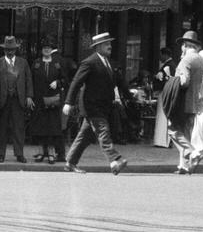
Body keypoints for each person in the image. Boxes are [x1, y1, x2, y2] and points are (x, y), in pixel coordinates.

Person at [62, 31, 129, 174]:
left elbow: (119, 82)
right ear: (97, 47)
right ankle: (115, 160)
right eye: (106, 44)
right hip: (92, 106)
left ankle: (70, 162)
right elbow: (76, 82)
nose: (110, 46)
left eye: (110, 43)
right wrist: (68, 102)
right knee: (103, 132)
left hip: (104, 107)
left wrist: (129, 96)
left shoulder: (109, 63)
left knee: (85, 136)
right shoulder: (89, 62)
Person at [0, 34, 33, 163]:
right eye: (7, 49)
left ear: (16, 50)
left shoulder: (23, 62)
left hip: (18, 99)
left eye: (12, 49)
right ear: (4, 50)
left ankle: (19, 154)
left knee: (18, 128)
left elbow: (28, 80)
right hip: (3, 100)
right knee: (2, 127)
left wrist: (29, 96)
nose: (10, 52)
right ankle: (0, 154)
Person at [169, 31, 203, 173]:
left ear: (185, 45)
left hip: (182, 103)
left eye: (182, 46)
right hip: (194, 103)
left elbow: (184, 82)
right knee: (186, 133)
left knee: (172, 130)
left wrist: (172, 81)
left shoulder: (186, 60)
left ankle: (192, 152)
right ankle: (184, 166)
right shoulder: (200, 59)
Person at [29, 41, 67, 163]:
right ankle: (41, 152)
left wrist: (58, 83)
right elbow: (30, 80)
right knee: (40, 127)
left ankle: (51, 153)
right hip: (39, 100)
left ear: (51, 49)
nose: (46, 50)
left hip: (53, 100)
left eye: (48, 48)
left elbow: (65, 79)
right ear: (41, 50)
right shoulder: (36, 63)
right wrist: (30, 96)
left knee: (52, 128)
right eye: (44, 48)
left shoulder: (57, 63)